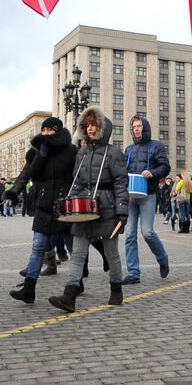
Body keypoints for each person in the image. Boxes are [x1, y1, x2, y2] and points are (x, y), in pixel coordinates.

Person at [47, 107, 127, 311]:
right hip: (84, 207)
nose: (90, 129)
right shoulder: (81, 152)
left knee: (111, 254)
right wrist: (71, 202)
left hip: (107, 207)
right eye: (87, 125)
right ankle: (69, 295)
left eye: (94, 125)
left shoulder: (114, 153)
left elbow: (120, 183)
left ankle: (116, 289)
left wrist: (122, 212)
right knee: (79, 253)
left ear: (102, 128)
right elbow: (78, 182)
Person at [8, 117, 78, 304]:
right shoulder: (38, 151)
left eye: (50, 130)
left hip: (65, 207)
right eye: (43, 130)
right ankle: (29, 289)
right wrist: (14, 192)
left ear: (58, 131)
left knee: (73, 249)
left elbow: (78, 176)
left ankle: (76, 283)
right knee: (38, 247)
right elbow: (30, 174)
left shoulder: (71, 151)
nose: (46, 133)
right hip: (44, 205)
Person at [121, 114, 171, 285]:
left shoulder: (156, 146)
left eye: (139, 126)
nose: (136, 128)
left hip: (148, 194)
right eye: (134, 126)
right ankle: (133, 273)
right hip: (130, 195)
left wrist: (153, 173)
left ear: (145, 127)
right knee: (129, 235)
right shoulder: (128, 149)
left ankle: (162, 258)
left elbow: (165, 166)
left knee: (147, 232)